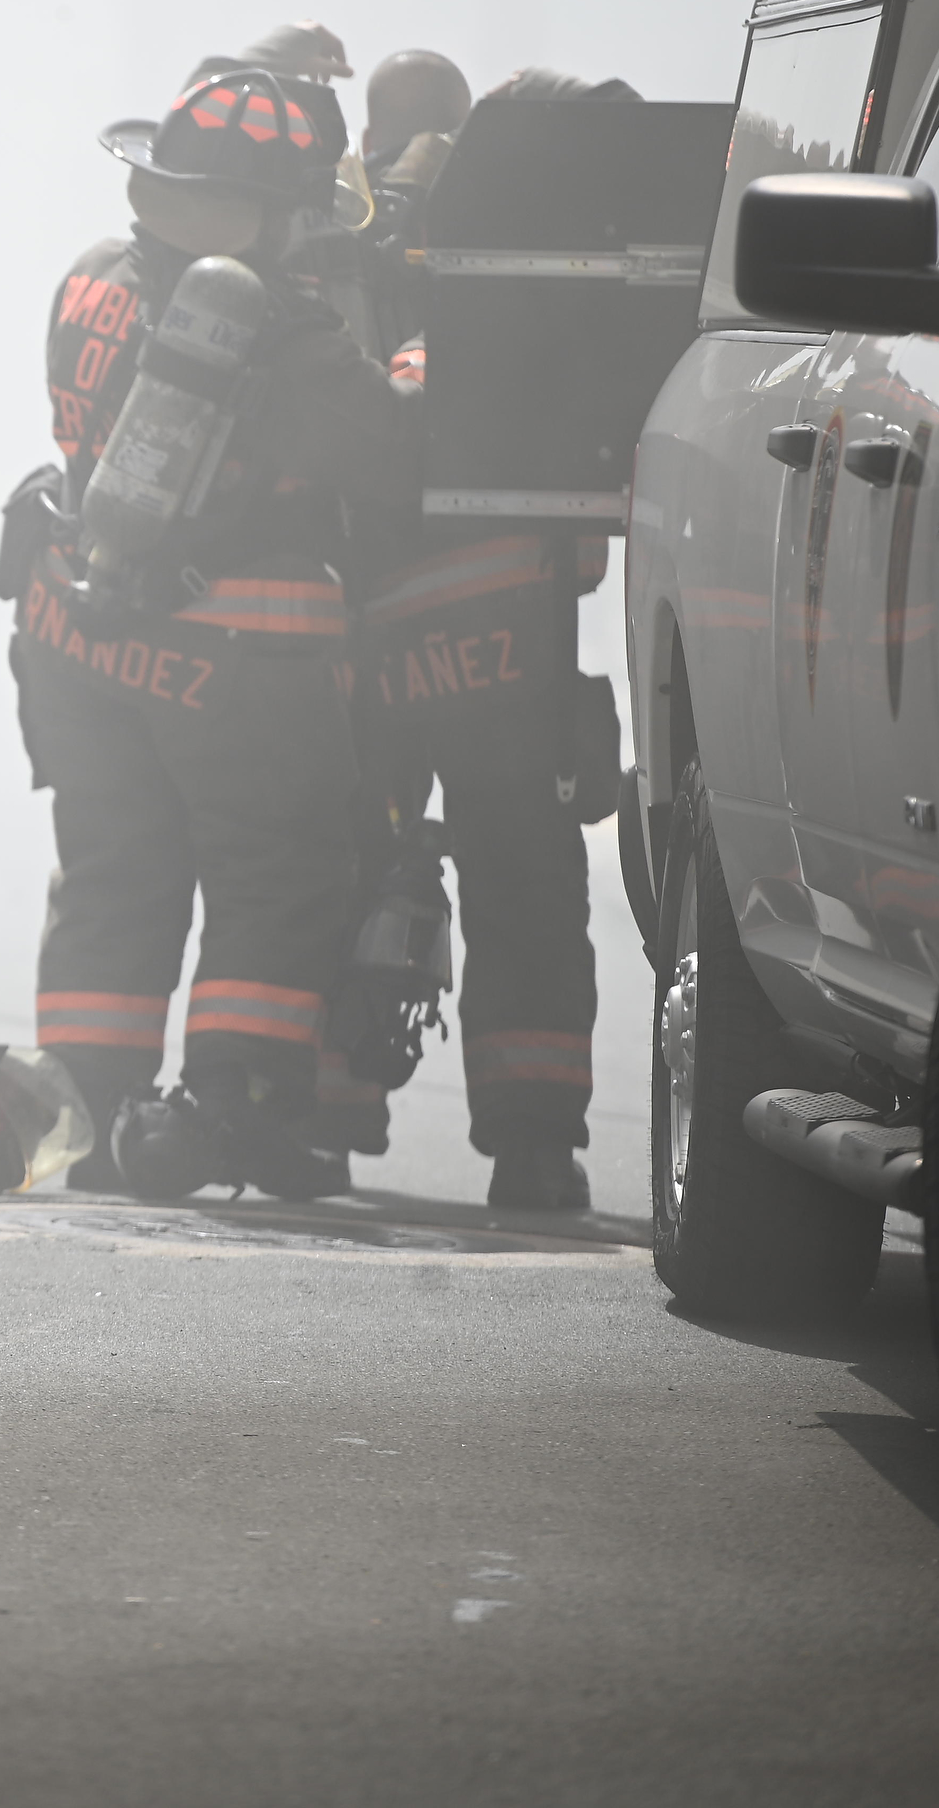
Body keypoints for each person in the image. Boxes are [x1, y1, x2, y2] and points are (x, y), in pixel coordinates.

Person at [10, 67, 414, 1201]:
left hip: (77, 639)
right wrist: (422, 364)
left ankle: (84, 1108)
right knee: (274, 876)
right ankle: (223, 1106)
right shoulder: (279, 332)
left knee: (111, 876)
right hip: (230, 662)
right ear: (280, 213)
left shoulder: (89, 276)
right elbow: (389, 456)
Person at [349, 60, 627, 1211]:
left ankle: (320, 1113)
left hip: (365, 632)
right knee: (522, 878)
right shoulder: (544, 255)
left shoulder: (332, 241)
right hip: (510, 637)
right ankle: (532, 1146)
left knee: (354, 862)